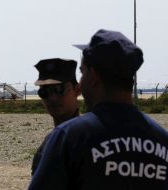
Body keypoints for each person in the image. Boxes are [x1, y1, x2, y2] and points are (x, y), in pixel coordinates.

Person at [28, 29, 168, 189]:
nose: (81, 81)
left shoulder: (70, 137)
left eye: (82, 72)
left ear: (93, 76)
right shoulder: (162, 141)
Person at [31, 58, 81, 176]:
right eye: (45, 91)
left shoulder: (86, 140)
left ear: (77, 90)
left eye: (59, 89)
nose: (52, 98)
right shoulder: (50, 144)